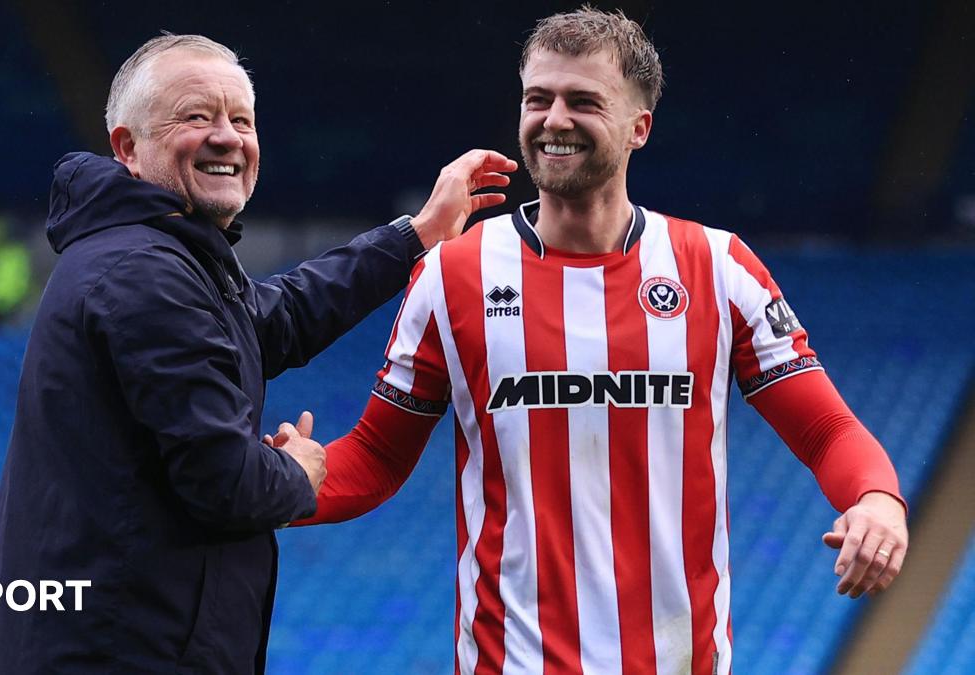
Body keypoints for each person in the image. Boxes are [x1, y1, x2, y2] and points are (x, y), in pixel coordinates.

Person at [288, 9, 909, 674]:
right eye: (538, 99)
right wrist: (280, 484)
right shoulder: (452, 274)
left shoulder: (720, 267)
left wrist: (876, 498)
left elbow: (826, 429)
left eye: (583, 101)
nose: (554, 120)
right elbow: (380, 453)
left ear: (639, 127)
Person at [0, 34, 515, 674]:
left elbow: (273, 318)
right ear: (127, 148)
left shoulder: (159, 256)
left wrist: (415, 235)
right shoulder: (144, 272)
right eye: (196, 116)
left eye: (241, 120)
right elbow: (227, 482)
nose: (227, 137)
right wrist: (298, 472)